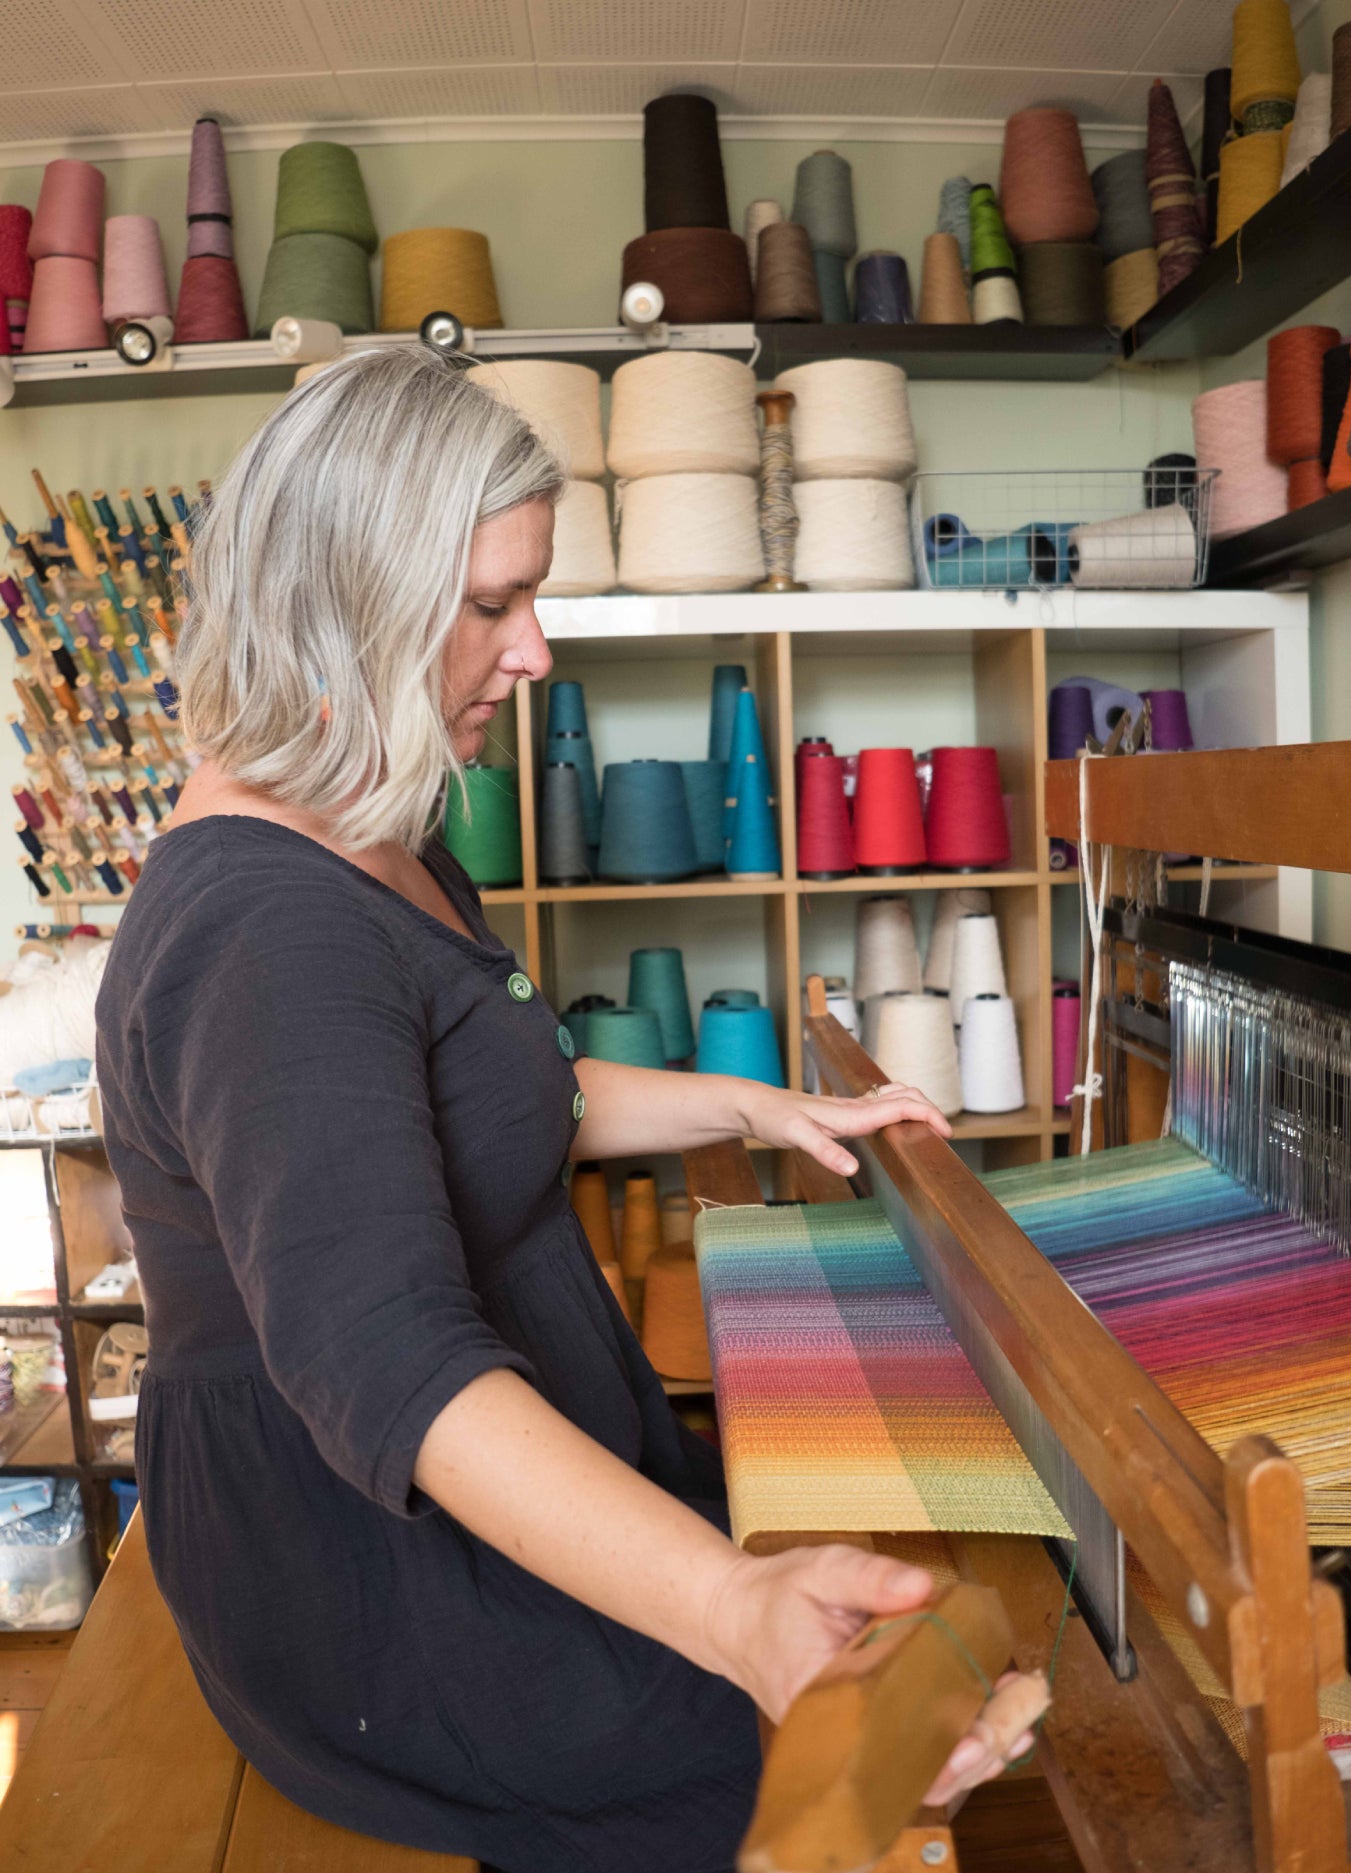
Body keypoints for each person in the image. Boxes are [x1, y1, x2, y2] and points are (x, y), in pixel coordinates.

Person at [95, 346, 1048, 1873]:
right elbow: (391, 1366)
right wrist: (731, 1608)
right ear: (343, 606)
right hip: (370, 1574)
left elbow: (496, 1089)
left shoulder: (377, 830)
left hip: (473, 1468)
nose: (534, 651)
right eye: (493, 605)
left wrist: (763, 1107)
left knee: (918, 1633)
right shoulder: (268, 933)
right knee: (849, 1746)